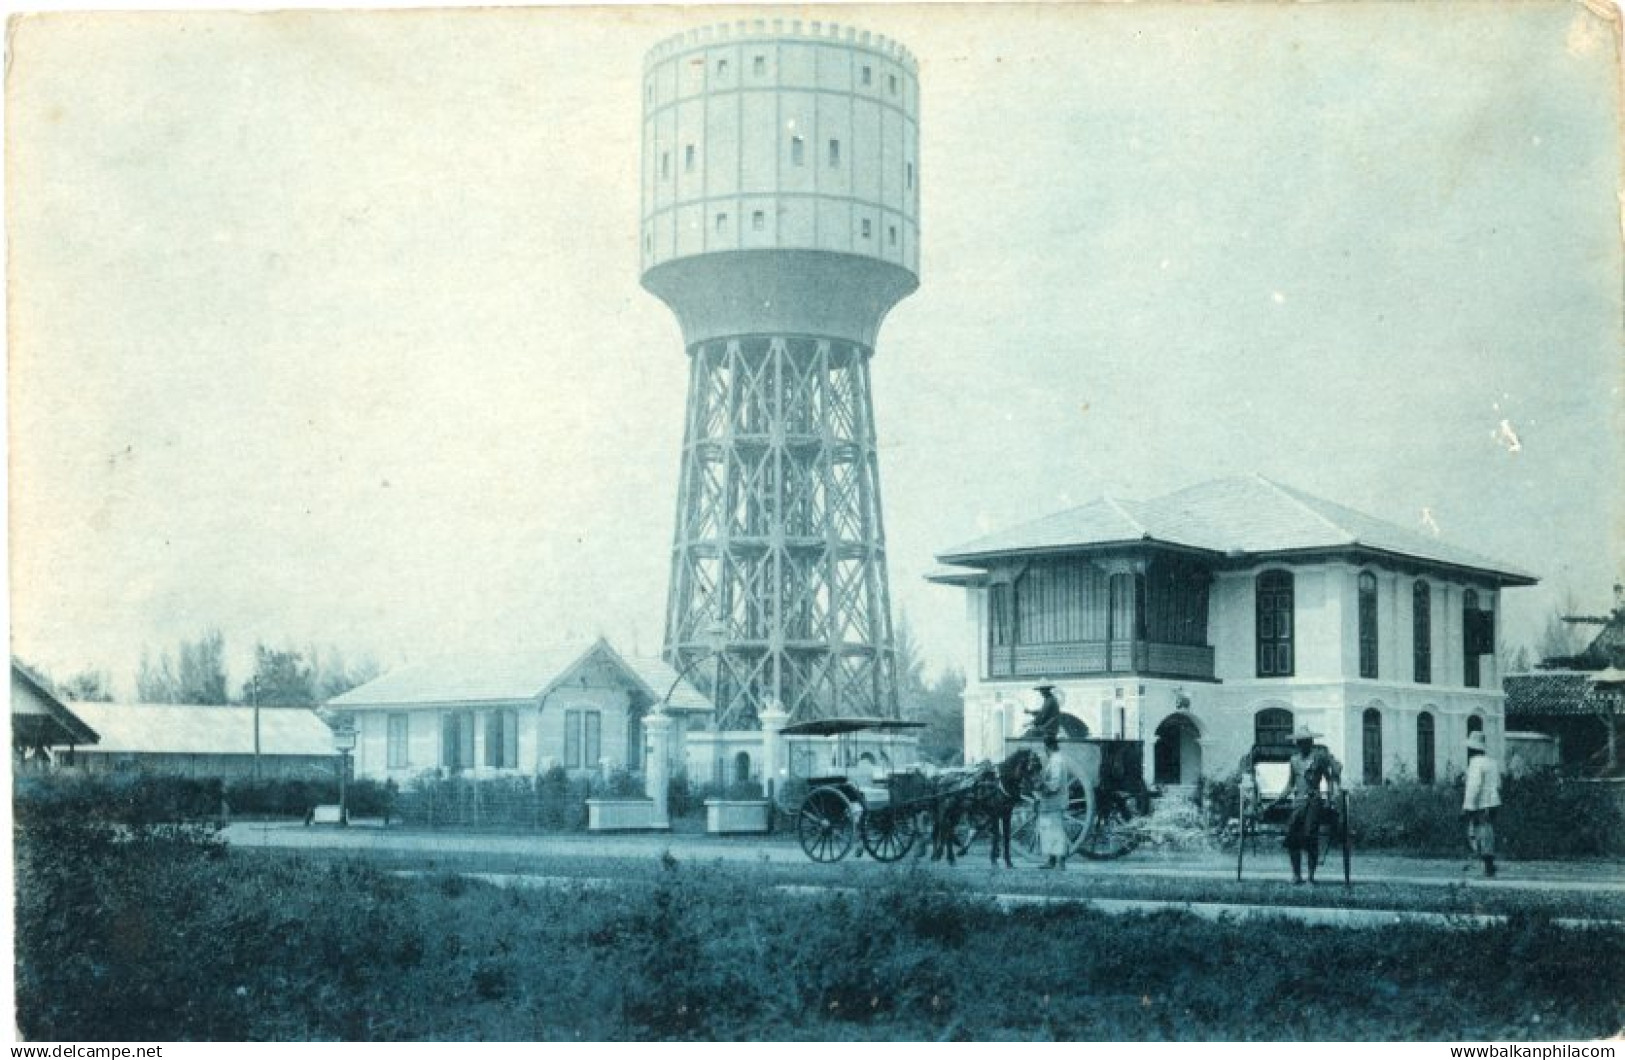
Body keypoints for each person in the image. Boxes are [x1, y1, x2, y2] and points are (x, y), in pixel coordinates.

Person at [1271, 725, 1342, 885]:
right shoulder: (1294, 760)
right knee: (1292, 837)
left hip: (1314, 801)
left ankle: (1310, 876)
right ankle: (1296, 875)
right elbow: (1290, 784)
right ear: (1297, 743)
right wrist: (1278, 799)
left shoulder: (1319, 758)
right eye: (1300, 742)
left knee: (1310, 837)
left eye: (1306, 741)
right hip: (1298, 803)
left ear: (1311, 742)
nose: (1303, 744)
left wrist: (1330, 798)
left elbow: (1329, 779)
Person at [1463, 731, 1502, 878]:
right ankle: (1488, 863)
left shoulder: (1475, 763)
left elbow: (1474, 786)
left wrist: (1468, 806)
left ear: (1472, 749)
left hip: (1481, 803)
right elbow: (1498, 783)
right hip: (1493, 802)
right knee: (1488, 832)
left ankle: (1488, 864)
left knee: (1480, 833)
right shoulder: (1492, 762)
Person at [1036, 734, 1073, 869]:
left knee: (1056, 830)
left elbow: (1055, 783)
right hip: (1049, 802)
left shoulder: (1057, 761)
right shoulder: (1055, 759)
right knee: (1047, 830)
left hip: (1054, 801)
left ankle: (1060, 861)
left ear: (1047, 747)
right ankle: (1051, 860)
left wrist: (1042, 786)